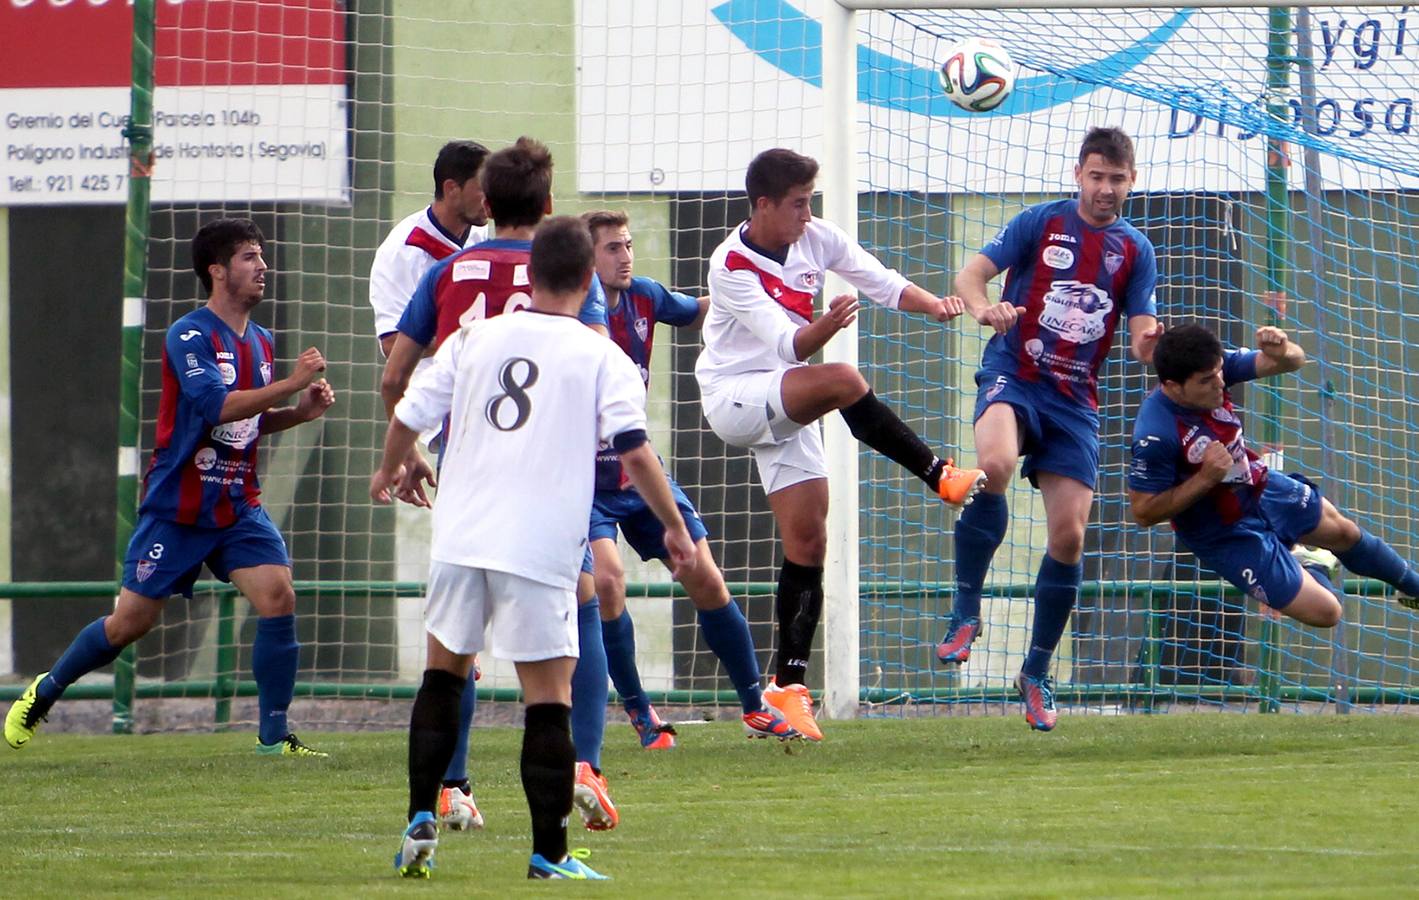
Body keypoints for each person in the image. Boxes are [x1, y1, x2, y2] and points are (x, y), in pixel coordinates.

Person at [375, 216, 696, 880]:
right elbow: (633, 449)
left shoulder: (473, 337)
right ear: (586, 279)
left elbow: (409, 409)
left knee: (442, 675)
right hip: (541, 541)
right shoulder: (598, 354)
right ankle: (548, 853)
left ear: (529, 273)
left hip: (462, 532)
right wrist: (671, 524)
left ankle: (417, 822)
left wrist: (388, 469)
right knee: (545, 700)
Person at [4, 218, 336, 756]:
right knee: (129, 624)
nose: (263, 266)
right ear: (218, 270)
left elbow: (243, 422)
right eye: (250, 257)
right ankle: (46, 690)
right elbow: (214, 407)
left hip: (234, 504)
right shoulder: (189, 334)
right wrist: (292, 383)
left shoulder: (263, 341)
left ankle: (275, 739)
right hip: (179, 508)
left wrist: (297, 412)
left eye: (262, 256)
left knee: (278, 596)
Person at [694, 147, 987, 742]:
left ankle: (787, 688)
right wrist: (826, 327)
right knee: (845, 379)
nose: (807, 214)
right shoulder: (730, 264)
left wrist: (932, 304)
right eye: (798, 204)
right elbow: (788, 346)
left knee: (809, 538)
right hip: (735, 396)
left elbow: (874, 278)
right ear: (764, 205)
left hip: (783, 396)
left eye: (810, 202)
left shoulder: (816, 236)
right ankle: (938, 474)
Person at [379, 137, 620, 833]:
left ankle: (447, 790)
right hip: (543, 463)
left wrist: (404, 450)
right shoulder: (566, 272)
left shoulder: (448, 271)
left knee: (451, 643)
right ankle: (580, 766)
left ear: (485, 203)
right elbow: (597, 363)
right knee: (586, 592)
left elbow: (398, 376)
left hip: (465, 455)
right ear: (547, 207)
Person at [933, 126, 1163, 732]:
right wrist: (985, 308)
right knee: (997, 467)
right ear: (1078, 174)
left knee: (1069, 537)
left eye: (1117, 178)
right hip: (1015, 373)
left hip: (1074, 403)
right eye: (1096, 176)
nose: (1105, 188)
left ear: (1131, 181)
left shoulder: (1135, 251)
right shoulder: (1041, 222)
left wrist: (1149, 343)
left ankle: (1034, 673)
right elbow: (970, 275)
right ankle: (965, 609)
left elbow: (1142, 331)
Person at [581, 209, 798, 750]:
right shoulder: (567, 311)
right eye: (612, 247)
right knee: (607, 582)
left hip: (637, 471)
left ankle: (753, 704)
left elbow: (703, 310)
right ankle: (640, 713)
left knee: (702, 572)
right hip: (581, 483)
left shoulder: (646, 296)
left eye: (628, 244)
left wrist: (756, 303)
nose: (625, 255)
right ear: (587, 257)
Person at [1128, 323, 1419, 627]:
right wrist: (1205, 478)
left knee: (1344, 533)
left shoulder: (1215, 368)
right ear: (1174, 386)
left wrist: (1282, 350)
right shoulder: (1155, 434)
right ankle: (1308, 561)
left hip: (1258, 485)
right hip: (1224, 532)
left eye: (1218, 373)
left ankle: (1414, 588)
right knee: (1327, 613)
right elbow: (1144, 511)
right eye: (1206, 381)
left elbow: (1293, 360)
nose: (1219, 383)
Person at [368, 138, 491, 830]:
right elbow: (399, 364)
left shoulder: (489, 247)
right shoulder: (406, 253)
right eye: (479, 186)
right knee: (459, 618)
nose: (488, 198)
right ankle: (450, 785)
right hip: (457, 436)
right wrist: (409, 444)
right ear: (451, 187)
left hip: (497, 434)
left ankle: (458, 785)